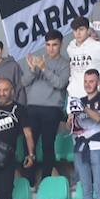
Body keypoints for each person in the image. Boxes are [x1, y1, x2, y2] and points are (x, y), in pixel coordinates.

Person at [19, 29, 67, 184]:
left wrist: (44, 69)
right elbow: (23, 82)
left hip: (52, 109)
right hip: (32, 107)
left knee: (47, 145)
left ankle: (46, 182)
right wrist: (33, 69)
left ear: (60, 45)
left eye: (54, 45)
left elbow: (60, 84)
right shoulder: (37, 61)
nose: (51, 48)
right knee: (28, 146)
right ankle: (29, 182)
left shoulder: (65, 64)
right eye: (48, 45)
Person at [69, 67, 100, 199]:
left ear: (98, 82)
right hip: (81, 145)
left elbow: (98, 117)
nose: (88, 84)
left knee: (99, 188)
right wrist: (71, 117)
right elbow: (71, 127)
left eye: (91, 81)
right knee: (86, 189)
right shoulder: (80, 99)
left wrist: (83, 108)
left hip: (97, 145)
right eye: (86, 81)